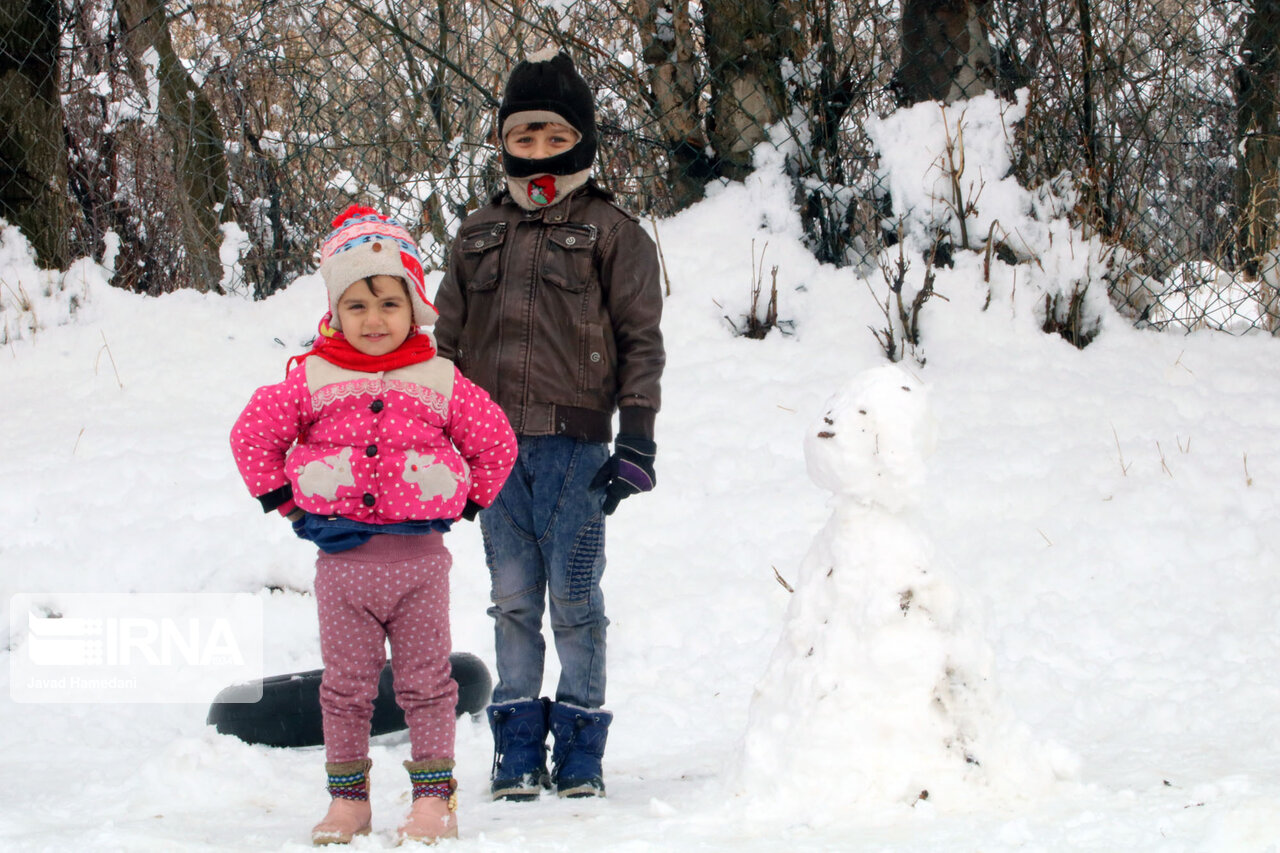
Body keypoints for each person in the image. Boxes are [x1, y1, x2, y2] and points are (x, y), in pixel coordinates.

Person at [230, 205, 517, 844]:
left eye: (388, 302)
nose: (374, 319)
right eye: (356, 306)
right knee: (347, 689)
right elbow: (253, 437)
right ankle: (349, 801)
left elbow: (495, 443)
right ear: (334, 312)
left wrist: (465, 504)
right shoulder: (308, 381)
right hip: (343, 571)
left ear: (414, 308)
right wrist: (291, 505)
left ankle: (433, 800)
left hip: (419, 567)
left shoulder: (442, 380)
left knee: (426, 686)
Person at [432, 48, 665, 801]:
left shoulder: (612, 232)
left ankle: (582, 748)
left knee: (574, 597)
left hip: (576, 451)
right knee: (511, 597)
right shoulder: (475, 234)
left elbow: (640, 339)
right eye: (522, 137)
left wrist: (637, 436)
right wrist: (435, 431)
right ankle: (518, 749)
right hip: (492, 451)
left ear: (582, 141)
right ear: (503, 143)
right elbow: (442, 341)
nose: (536, 151)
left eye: (553, 136)